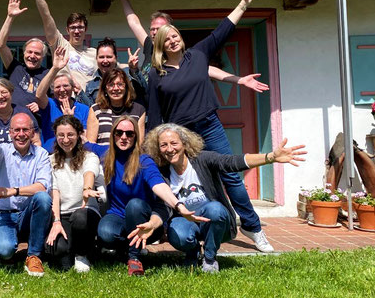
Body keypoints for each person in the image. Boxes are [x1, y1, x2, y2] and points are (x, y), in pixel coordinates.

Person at [144, 0, 274, 252]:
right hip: (181, 134)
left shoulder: (198, 55)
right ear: (160, 45)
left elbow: (222, 31)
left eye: (175, 34)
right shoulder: (158, 73)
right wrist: (153, 147)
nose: (173, 39)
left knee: (231, 176)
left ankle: (252, 226)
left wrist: (243, 5)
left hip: (210, 125)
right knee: (184, 182)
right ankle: (187, 229)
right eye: (166, 38)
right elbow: (156, 114)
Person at [143, 123, 306, 272]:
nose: (169, 149)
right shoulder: (162, 172)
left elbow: (232, 162)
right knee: (177, 232)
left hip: (216, 220)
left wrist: (269, 157)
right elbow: (162, 206)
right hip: (186, 221)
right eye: (163, 145)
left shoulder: (202, 159)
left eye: (174, 143)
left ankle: (209, 258)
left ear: (184, 144)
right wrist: (152, 223)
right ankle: (192, 253)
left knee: (214, 209)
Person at [88, 116, 206, 276]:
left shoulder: (144, 160)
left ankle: (134, 259)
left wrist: (178, 205)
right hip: (117, 216)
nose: (124, 137)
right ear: (113, 135)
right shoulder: (106, 154)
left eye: (129, 134)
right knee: (105, 233)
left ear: (136, 136)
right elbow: (82, 144)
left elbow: (159, 186)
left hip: (145, 221)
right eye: (119, 132)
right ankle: (130, 247)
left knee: (135, 205)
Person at [117, 0, 269, 108]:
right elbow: (134, 23)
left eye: (160, 28)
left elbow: (208, 69)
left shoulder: (179, 55)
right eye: (152, 29)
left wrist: (239, 80)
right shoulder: (149, 46)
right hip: (142, 108)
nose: (155, 32)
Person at [0, 112, 53, 277]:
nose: (21, 134)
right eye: (17, 130)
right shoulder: (3, 151)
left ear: (33, 132)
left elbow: (42, 187)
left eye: (25, 130)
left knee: (42, 198)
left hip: (28, 214)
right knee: (5, 250)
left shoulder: (41, 154)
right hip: (4, 214)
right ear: (10, 133)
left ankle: (34, 255)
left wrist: (14, 191)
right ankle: (17, 245)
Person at [44, 115, 104, 273]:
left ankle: (82, 254)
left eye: (70, 135)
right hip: (62, 214)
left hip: (85, 213)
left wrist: (87, 189)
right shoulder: (50, 161)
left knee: (80, 218)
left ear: (79, 135)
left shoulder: (90, 157)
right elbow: (54, 192)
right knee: (59, 254)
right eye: (61, 135)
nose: (65, 140)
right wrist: (56, 221)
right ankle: (73, 250)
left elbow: (90, 172)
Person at [27, 0, 97, 91]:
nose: (77, 31)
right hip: (64, 99)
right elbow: (46, 15)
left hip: (88, 104)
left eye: (80, 27)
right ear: (67, 30)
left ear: (85, 29)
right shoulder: (60, 44)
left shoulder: (95, 53)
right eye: (73, 27)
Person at [0, 0, 49, 112]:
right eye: (29, 52)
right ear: (24, 53)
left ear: (43, 56)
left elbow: (53, 99)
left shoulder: (48, 74)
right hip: (13, 121)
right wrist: (10, 17)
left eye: (37, 53)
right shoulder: (15, 68)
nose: (32, 56)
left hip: (36, 125)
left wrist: (41, 105)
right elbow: (0, 44)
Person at [35, 46, 92, 151]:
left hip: (76, 154)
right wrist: (55, 68)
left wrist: (70, 120)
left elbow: (86, 137)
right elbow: (39, 95)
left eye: (66, 86)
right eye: (57, 87)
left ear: (72, 88)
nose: (62, 90)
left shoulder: (84, 109)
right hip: (51, 155)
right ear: (53, 90)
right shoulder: (50, 105)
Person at [86, 68, 145, 145]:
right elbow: (91, 144)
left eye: (120, 84)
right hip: (103, 156)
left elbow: (140, 145)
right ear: (105, 88)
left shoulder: (139, 110)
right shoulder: (95, 109)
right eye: (111, 85)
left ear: (126, 87)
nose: (116, 88)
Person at [82, 37, 145, 107]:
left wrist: (134, 69)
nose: (105, 61)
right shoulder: (91, 85)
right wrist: (79, 92)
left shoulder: (128, 74)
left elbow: (144, 91)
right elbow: (90, 110)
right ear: (96, 59)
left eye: (109, 57)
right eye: (101, 57)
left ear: (116, 58)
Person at [0, 78, 40, 145]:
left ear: (11, 93)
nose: (0, 96)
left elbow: (36, 141)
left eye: (4, 92)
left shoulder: (24, 113)